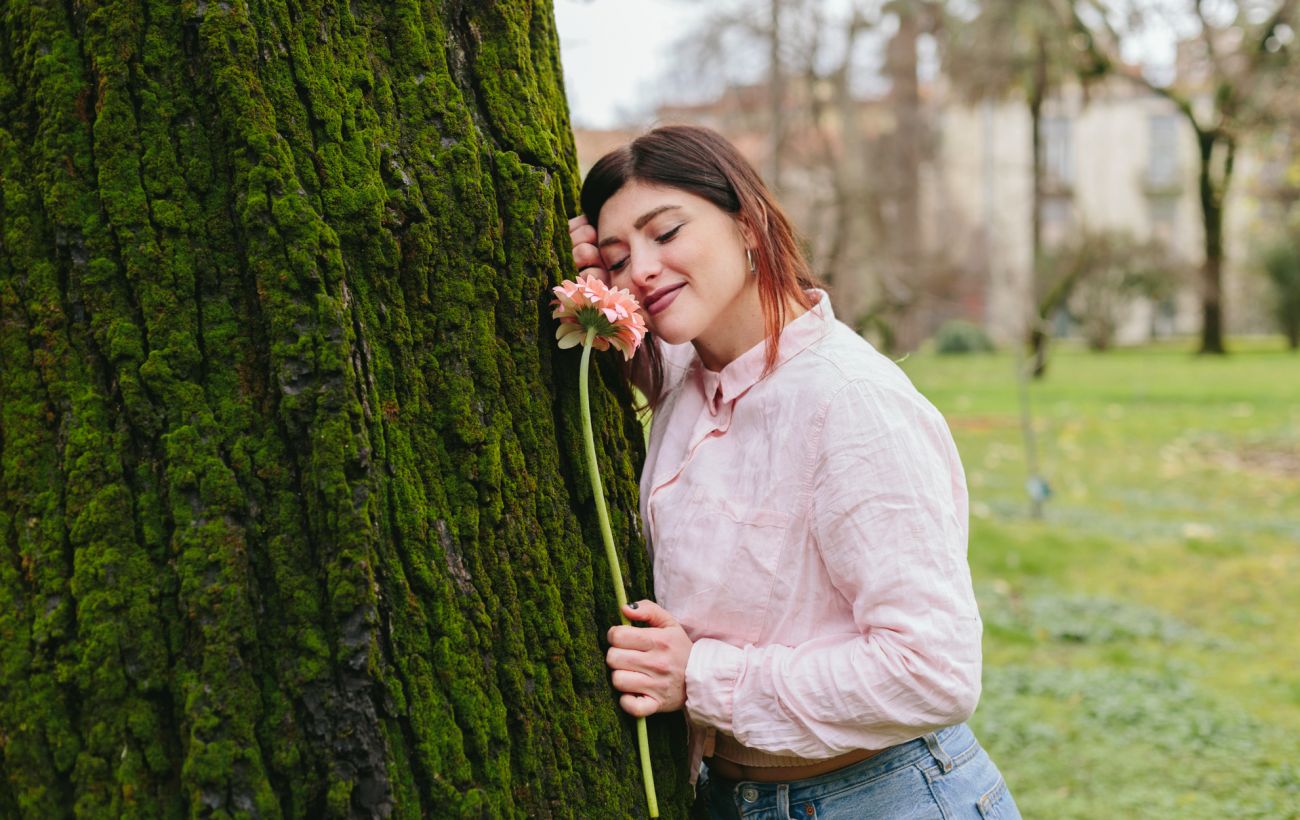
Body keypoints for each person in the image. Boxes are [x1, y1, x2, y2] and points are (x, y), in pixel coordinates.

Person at [568, 125, 1020, 819]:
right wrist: (597, 304)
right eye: (620, 257)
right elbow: (644, 362)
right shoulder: (690, 378)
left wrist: (699, 676)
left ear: (747, 225)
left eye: (667, 233)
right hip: (733, 798)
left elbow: (934, 672)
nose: (643, 271)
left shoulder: (848, 401)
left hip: (881, 797)